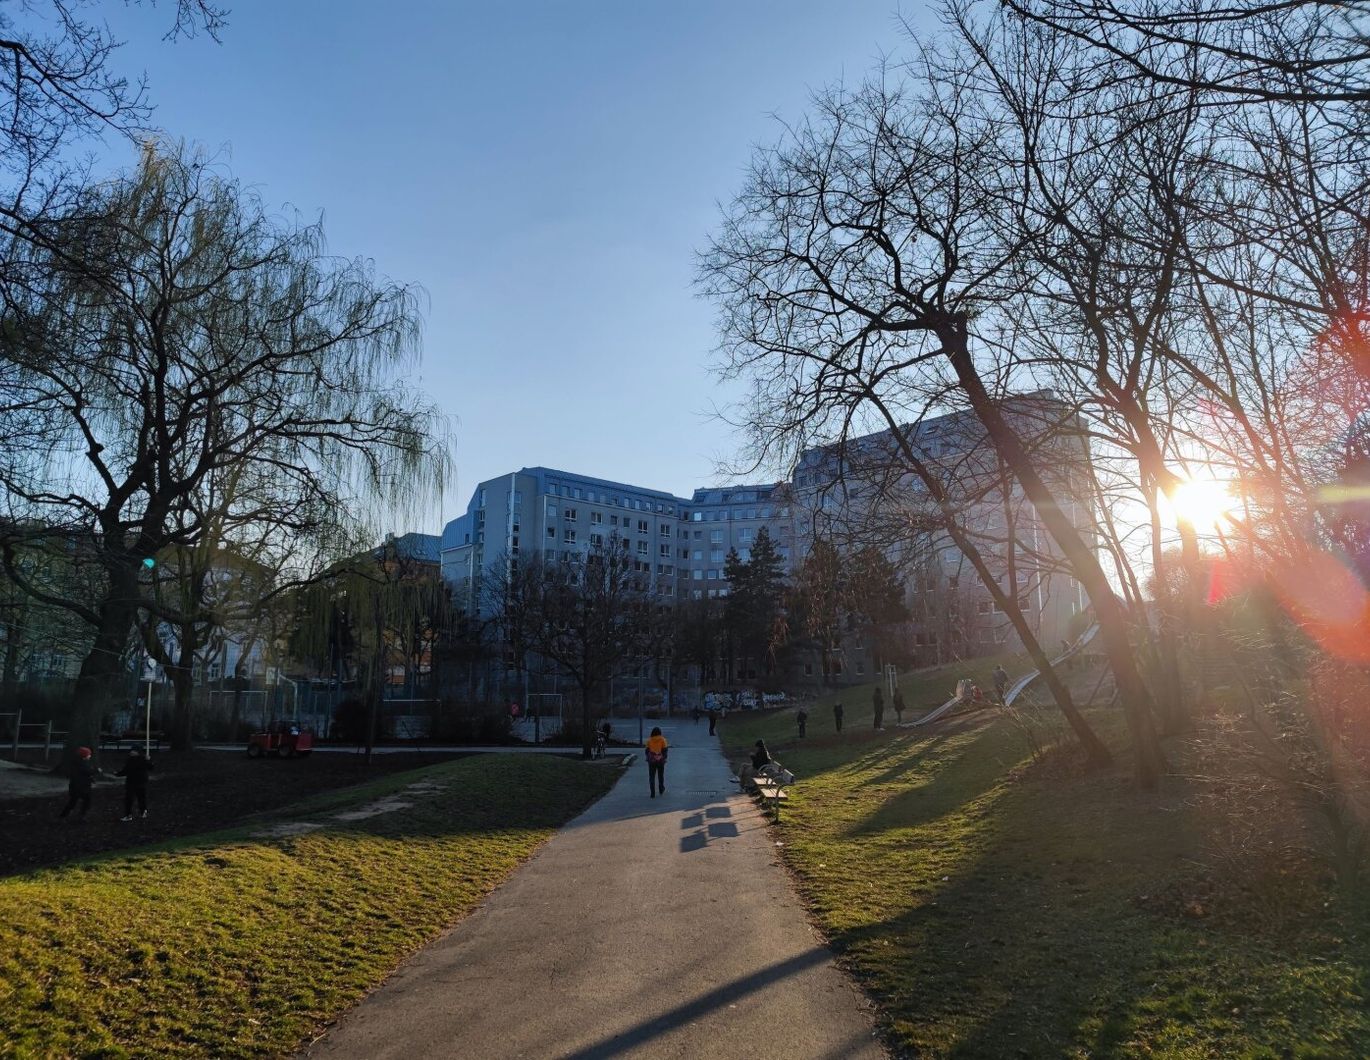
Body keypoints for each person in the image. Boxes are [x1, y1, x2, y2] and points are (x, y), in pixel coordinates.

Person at [59, 746, 96, 821]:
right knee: (86, 801)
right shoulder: (82, 764)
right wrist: (97, 771)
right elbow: (88, 772)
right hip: (82, 787)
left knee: (73, 801)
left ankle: (64, 815)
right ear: (84, 756)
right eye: (89, 754)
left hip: (75, 786)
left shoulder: (77, 763)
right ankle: (82, 816)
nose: (90, 756)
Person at [117, 747, 154, 821]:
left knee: (132, 798)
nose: (131, 752)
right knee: (139, 798)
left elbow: (126, 770)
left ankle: (132, 814)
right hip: (139, 781)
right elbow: (151, 767)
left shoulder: (133, 760)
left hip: (134, 782)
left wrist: (118, 774)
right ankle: (139, 812)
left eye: (133, 751)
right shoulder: (142, 759)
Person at [645, 726, 669, 797]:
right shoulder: (663, 740)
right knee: (660, 775)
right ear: (660, 732)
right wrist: (664, 757)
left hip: (652, 761)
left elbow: (647, 751)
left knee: (651, 776)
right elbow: (665, 750)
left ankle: (652, 792)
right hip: (660, 760)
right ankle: (661, 789)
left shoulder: (649, 740)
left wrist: (649, 757)